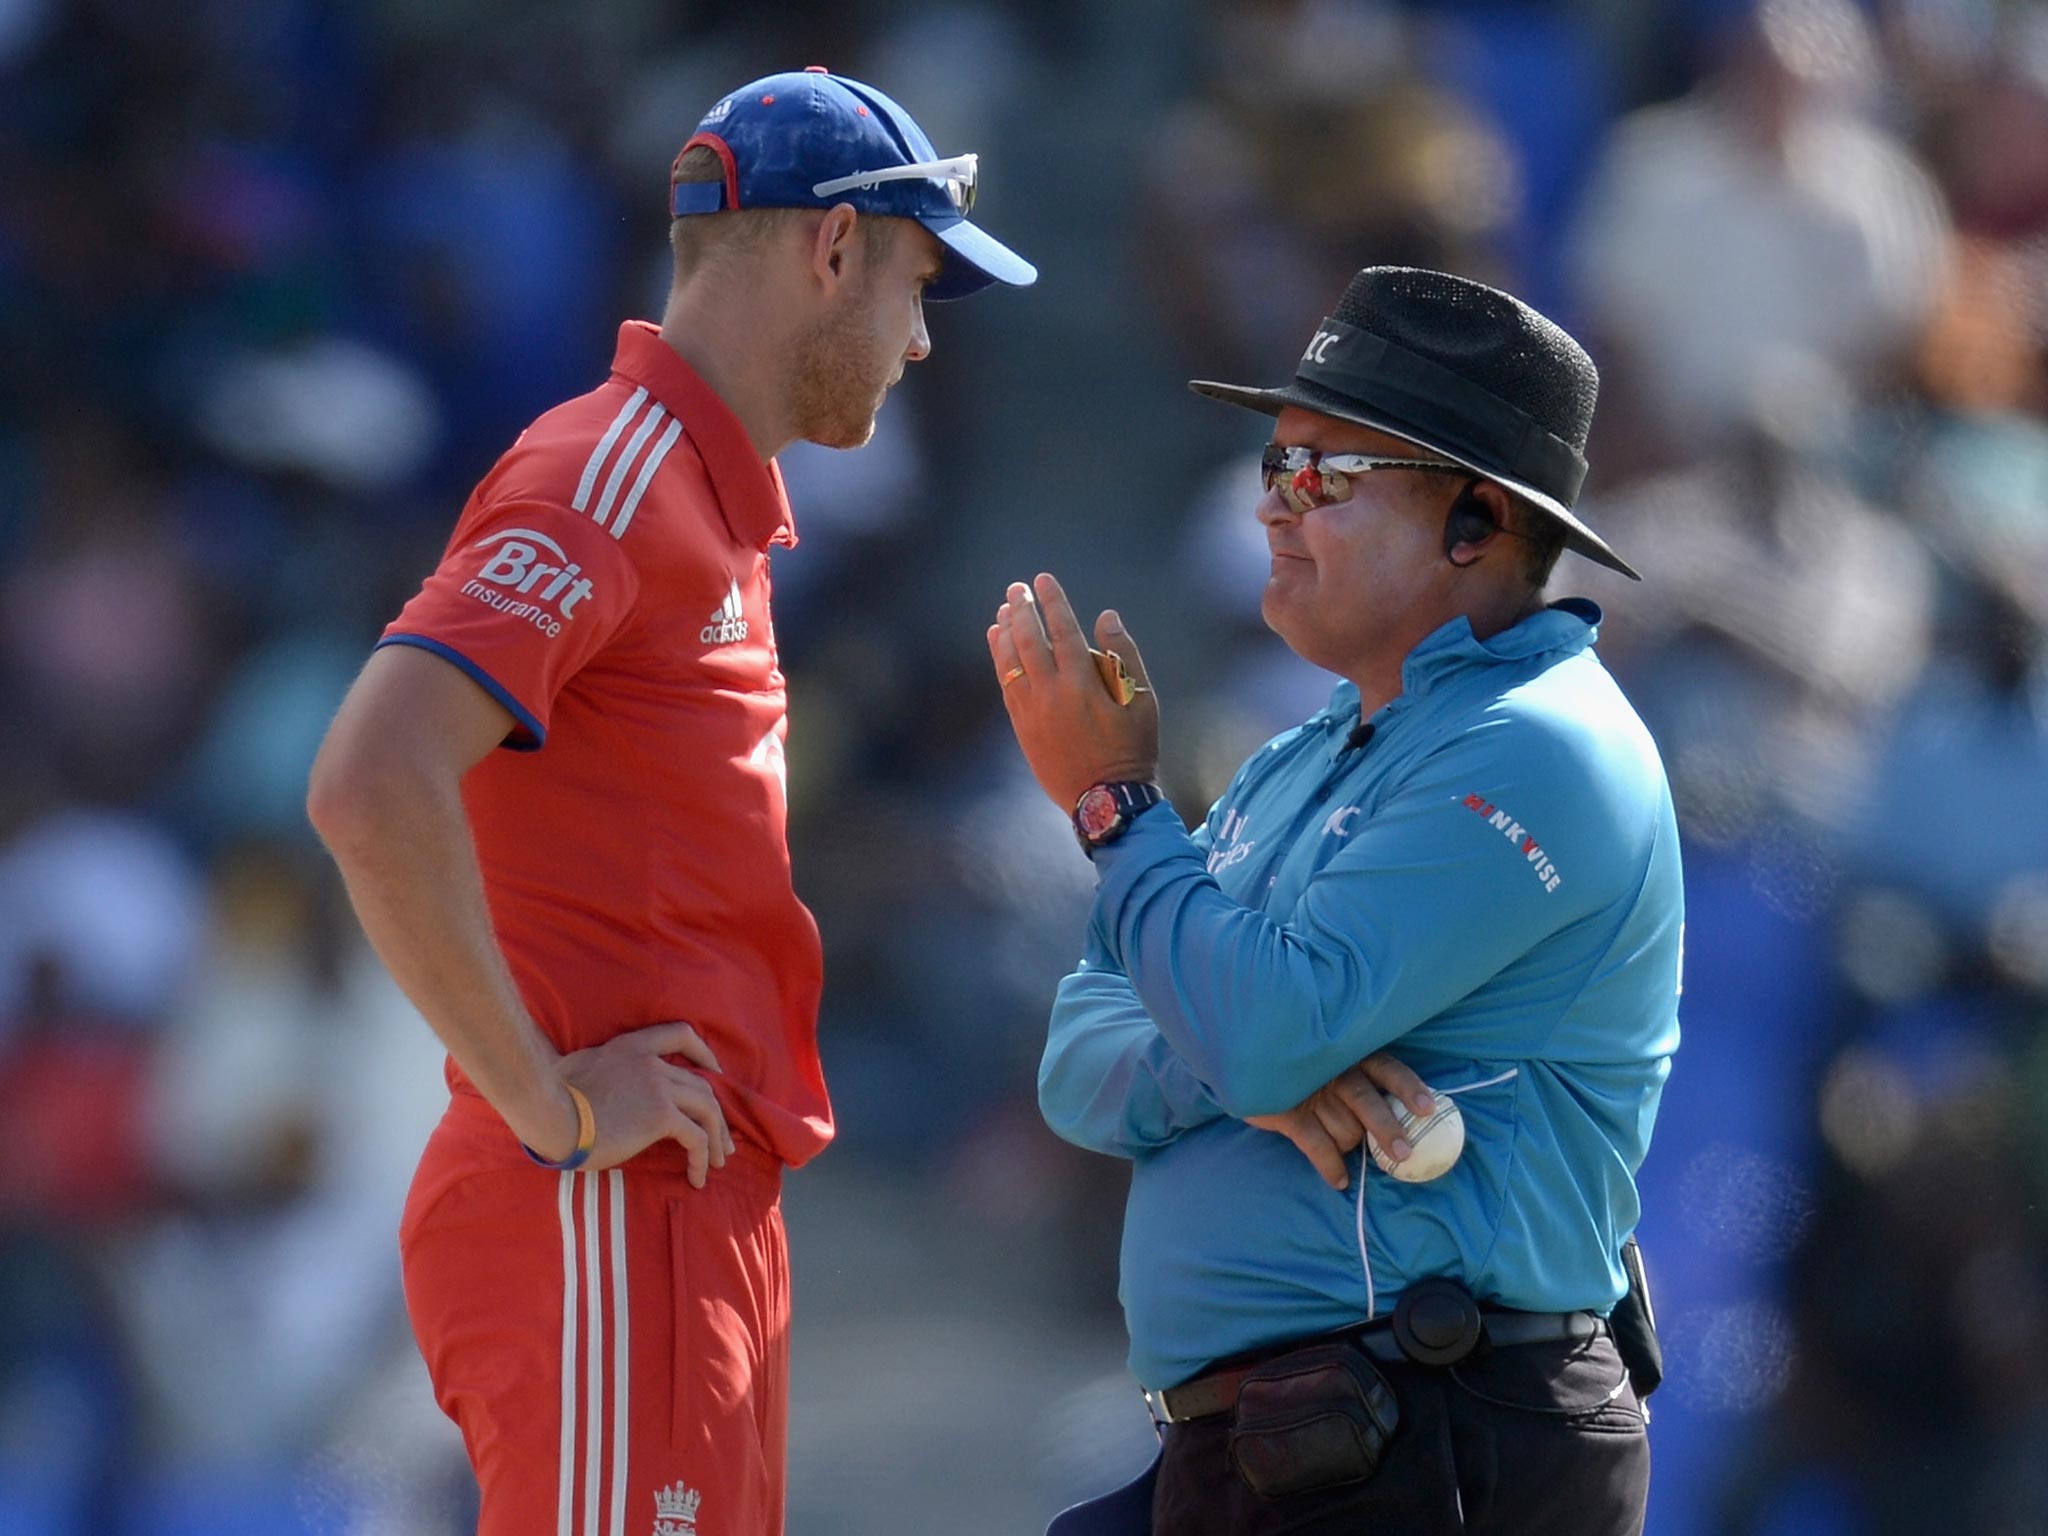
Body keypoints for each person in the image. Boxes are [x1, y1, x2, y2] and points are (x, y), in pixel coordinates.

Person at [307, 68, 1033, 1536]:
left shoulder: (698, 496)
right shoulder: (612, 474)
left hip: (673, 1212)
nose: (918, 339)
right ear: (832, 247)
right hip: (602, 1208)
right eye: (915, 282)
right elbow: (371, 782)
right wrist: (548, 1104)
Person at [990, 266, 1680, 1535]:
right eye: (1270, 466)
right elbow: (1078, 1056)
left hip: (1441, 1429)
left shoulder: (1538, 744)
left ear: (1474, 523)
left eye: (1321, 476)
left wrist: (1113, 808)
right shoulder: (1306, 747)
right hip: (1300, 1442)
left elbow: (1251, 1022)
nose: (1270, 508)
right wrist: (1256, 1065)